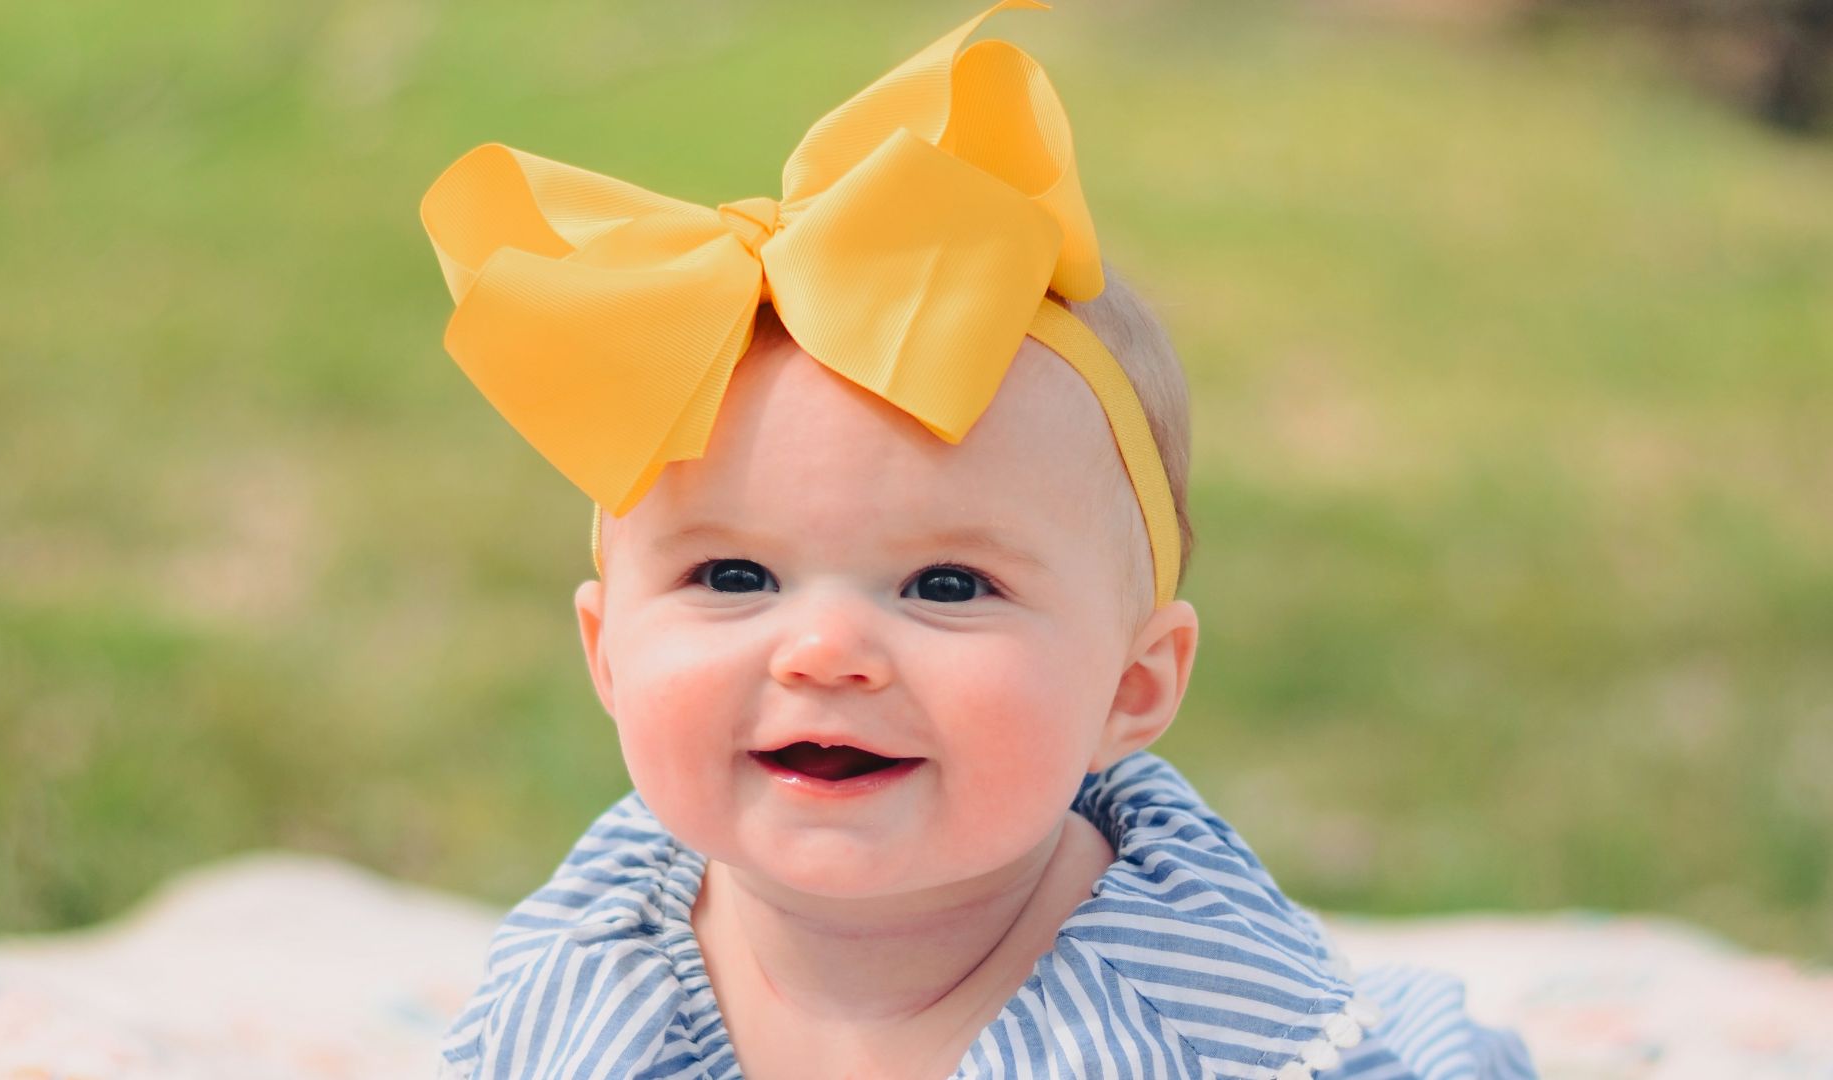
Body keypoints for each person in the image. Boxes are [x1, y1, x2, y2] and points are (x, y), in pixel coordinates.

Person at [417, 2, 1536, 1076]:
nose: (824, 650)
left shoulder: (1199, 1024)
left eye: (947, 584)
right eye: (734, 575)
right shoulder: (591, 964)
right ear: (608, 652)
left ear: (1132, 688)